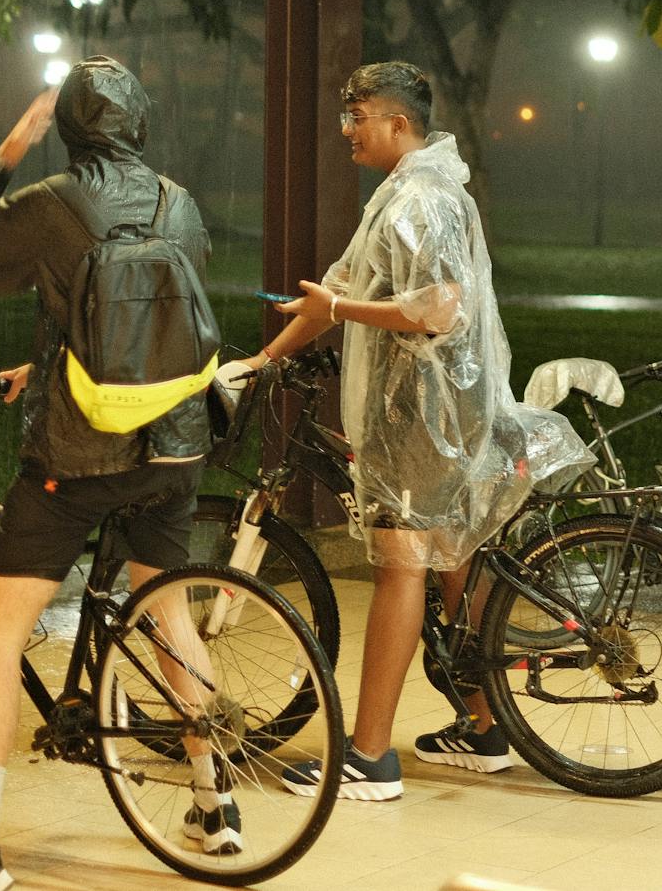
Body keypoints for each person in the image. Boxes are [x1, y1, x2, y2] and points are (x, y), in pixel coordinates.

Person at [0, 56, 227, 888]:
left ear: (67, 129)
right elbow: (154, 323)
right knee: (169, 617)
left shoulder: (53, 203)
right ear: (139, 125)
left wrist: (9, 146)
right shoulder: (181, 202)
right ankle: (214, 807)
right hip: (174, 445)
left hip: (79, 456)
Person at [241, 61, 592, 801]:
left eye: (358, 115)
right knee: (448, 554)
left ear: (399, 123)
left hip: (426, 417)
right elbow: (337, 287)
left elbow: (437, 308)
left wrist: (338, 316)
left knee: (403, 565)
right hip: (435, 416)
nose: (347, 130)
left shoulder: (422, 198)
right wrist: (265, 357)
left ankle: (368, 757)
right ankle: (484, 723)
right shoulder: (406, 194)